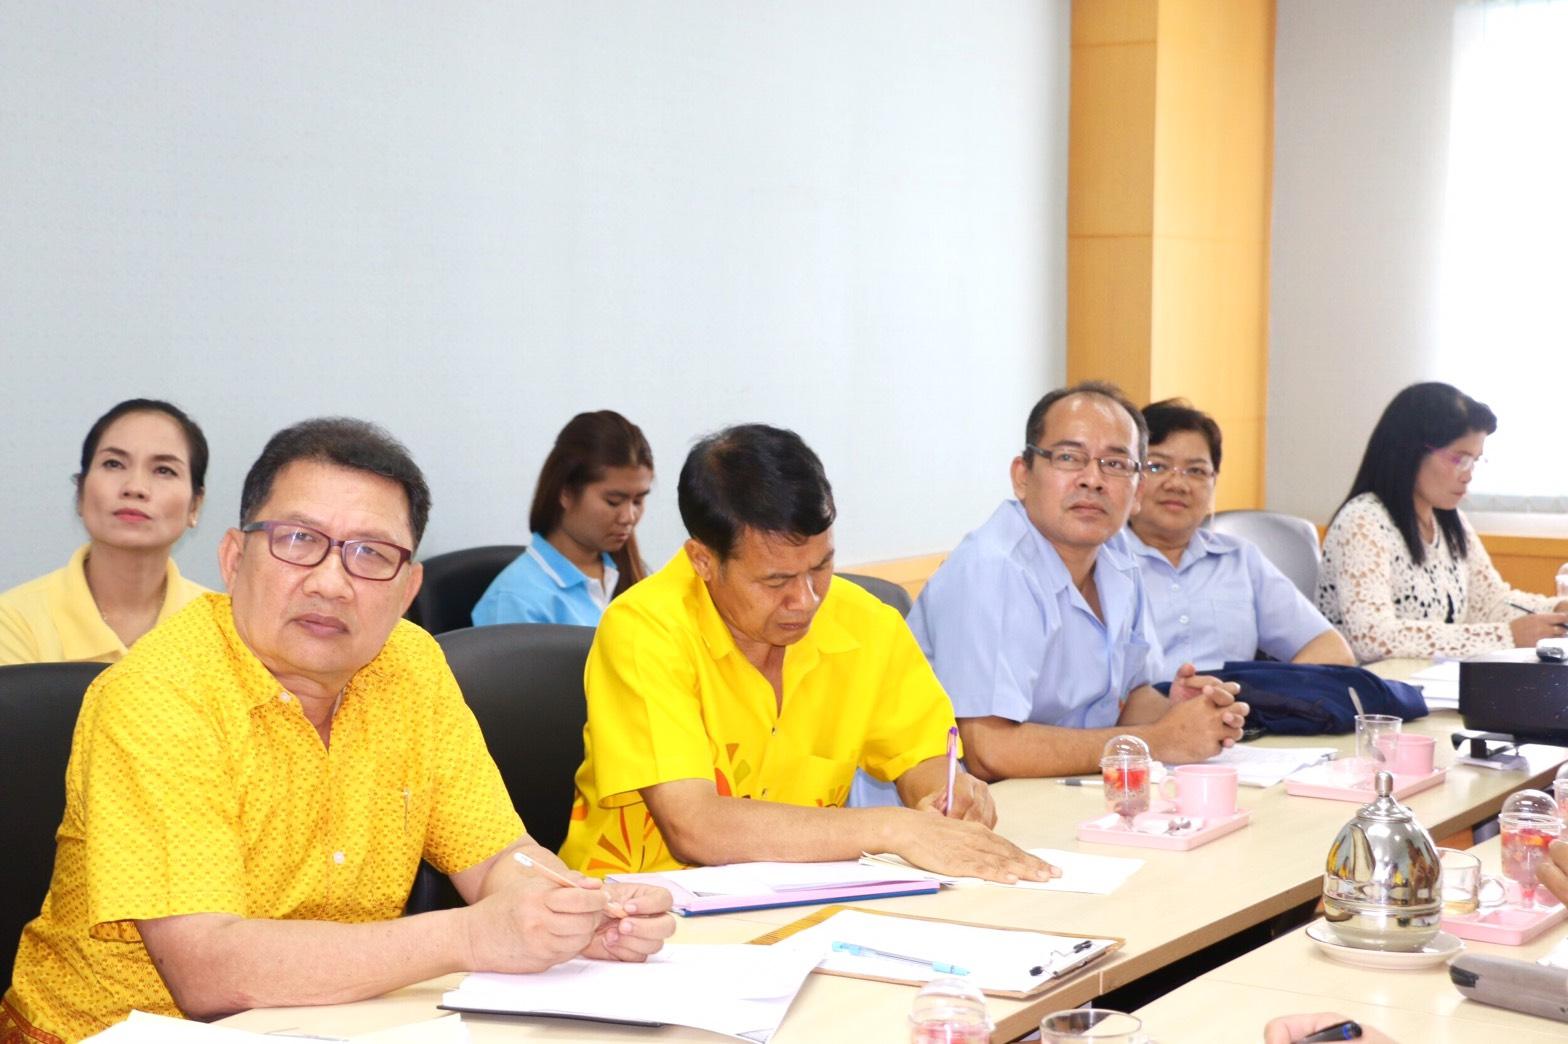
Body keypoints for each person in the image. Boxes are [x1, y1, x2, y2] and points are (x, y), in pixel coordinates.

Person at [2, 418, 674, 1042]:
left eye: (370, 554)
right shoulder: (161, 694)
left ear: (408, 588)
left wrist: (573, 911)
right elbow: (206, 970)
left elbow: (500, 857)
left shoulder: (411, 666)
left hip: (336, 1022)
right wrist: (473, 936)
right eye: (299, 541)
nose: (331, 582)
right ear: (234, 558)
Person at [557, 424, 1054, 885]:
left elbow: (922, 759)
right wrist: (893, 829)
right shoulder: (645, 630)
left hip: (802, 899)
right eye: (776, 581)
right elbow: (696, 827)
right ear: (703, 560)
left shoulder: (866, 623)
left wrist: (946, 796)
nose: (807, 600)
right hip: (641, 916)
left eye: (821, 567)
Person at [905, 382, 1249, 781]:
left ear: (1138, 490)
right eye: (1069, 457)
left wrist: (1180, 715)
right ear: (1022, 476)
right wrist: (1157, 740)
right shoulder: (992, 569)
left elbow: (1126, 698)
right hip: (957, 803)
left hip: (1062, 789)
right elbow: (990, 750)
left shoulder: (1118, 555)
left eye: (1115, 464)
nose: (1093, 480)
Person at [1316, 382, 1567, 661]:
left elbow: (1489, 602)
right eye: (1459, 459)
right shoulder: (1362, 521)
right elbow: (1373, 637)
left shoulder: (1449, 520)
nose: (1468, 475)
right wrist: (1506, 636)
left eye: (1475, 461)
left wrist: (1556, 610)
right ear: (1410, 451)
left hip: (1428, 678)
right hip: (1367, 683)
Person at [1125, 398, 1353, 675]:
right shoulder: (1102, 560)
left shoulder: (1239, 559)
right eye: (1157, 466)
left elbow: (1331, 649)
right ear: (1129, 474)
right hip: (1144, 704)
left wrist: (1264, 693)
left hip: (1236, 700)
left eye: (1196, 471)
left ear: (1214, 482)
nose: (1177, 484)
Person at [0, 399, 211, 666]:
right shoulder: (14, 622)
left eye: (164, 470)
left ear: (195, 505)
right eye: (113, 464)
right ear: (80, 492)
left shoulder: (225, 627)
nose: (135, 487)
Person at [472, 410, 654, 627]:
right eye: (613, 501)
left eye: (638, 501)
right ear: (565, 492)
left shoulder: (633, 574)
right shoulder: (513, 601)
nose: (629, 517)